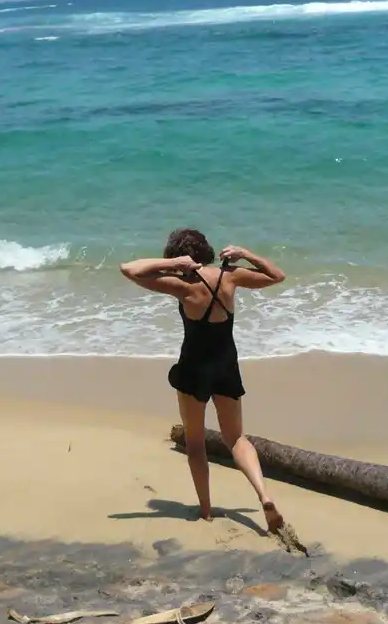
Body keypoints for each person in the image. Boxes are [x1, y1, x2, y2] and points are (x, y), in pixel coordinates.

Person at [119, 228, 287, 533]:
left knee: (196, 443)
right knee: (236, 438)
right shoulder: (231, 277)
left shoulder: (181, 285)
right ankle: (263, 495)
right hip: (226, 367)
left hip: (193, 370)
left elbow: (129, 269)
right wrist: (246, 254)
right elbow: (277, 276)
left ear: (181, 255)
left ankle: (206, 511)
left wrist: (173, 264)